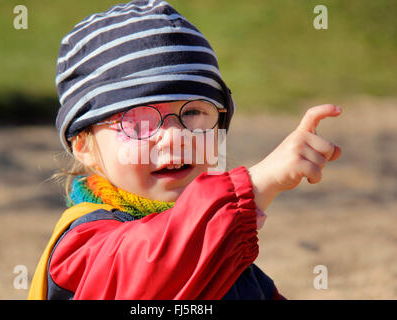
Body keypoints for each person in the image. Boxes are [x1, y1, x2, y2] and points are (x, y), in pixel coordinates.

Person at [28, 0, 342, 300]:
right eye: (139, 122)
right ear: (84, 146)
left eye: (192, 113)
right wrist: (256, 185)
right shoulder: (83, 246)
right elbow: (155, 267)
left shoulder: (226, 256)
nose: (175, 136)